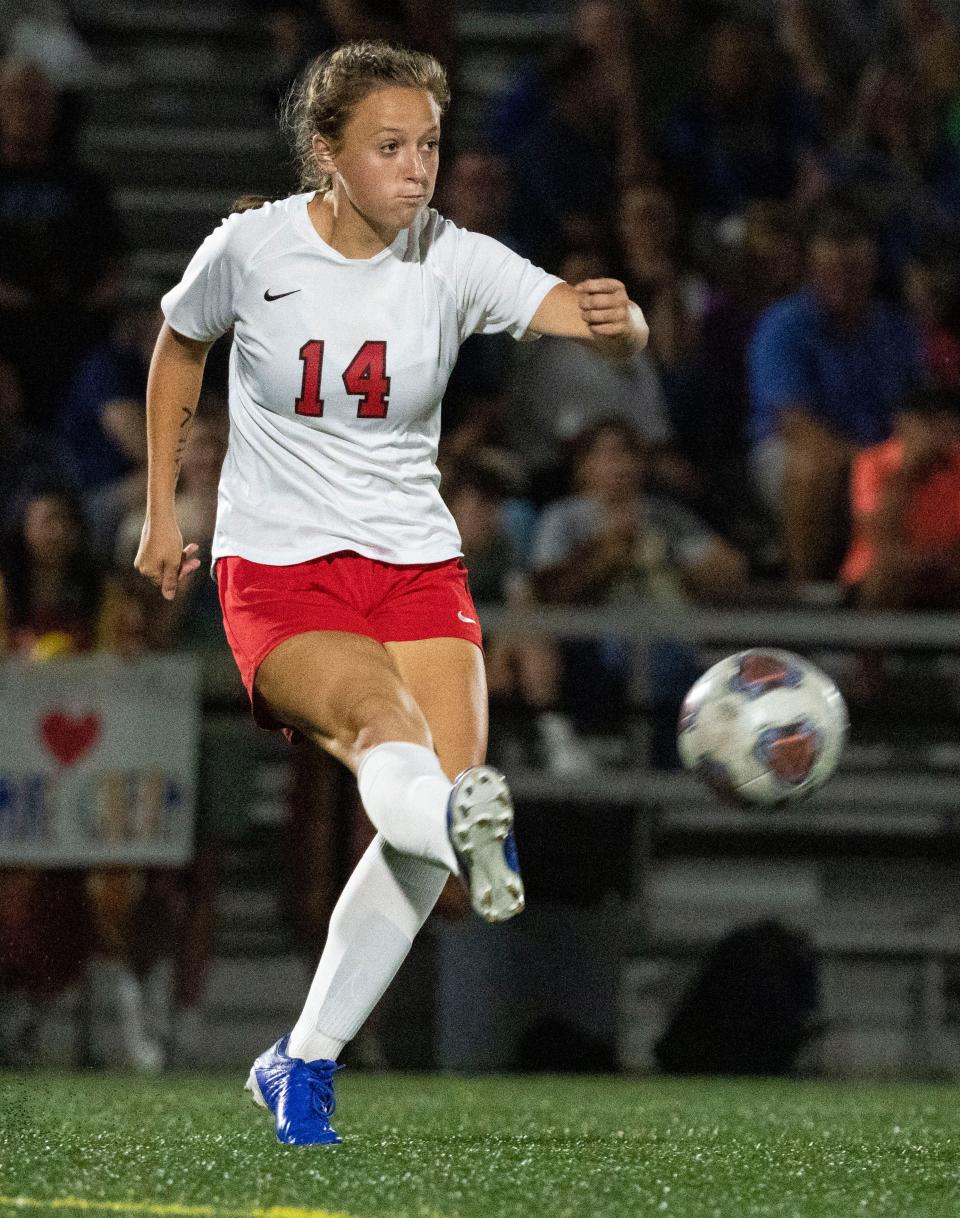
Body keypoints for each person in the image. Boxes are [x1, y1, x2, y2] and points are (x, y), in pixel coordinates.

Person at [134, 41, 648, 1145]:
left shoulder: (451, 259)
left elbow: (577, 314)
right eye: (389, 146)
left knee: (426, 825)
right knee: (387, 732)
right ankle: (460, 822)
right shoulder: (252, 247)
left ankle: (300, 1061)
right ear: (327, 154)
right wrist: (163, 508)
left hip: (416, 565)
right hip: (277, 566)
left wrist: (622, 321)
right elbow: (179, 346)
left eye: (428, 145)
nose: (418, 169)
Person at [748, 207, 926, 583]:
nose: (843, 281)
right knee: (815, 466)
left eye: (854, 270)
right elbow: (795, 423)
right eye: (833, 271)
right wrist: (869, 465)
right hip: (795, 451)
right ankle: (806, 598)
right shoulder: (784, 325)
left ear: (872, 268)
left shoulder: (896, 329)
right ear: (814, 268)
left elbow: (918, 408)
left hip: (880, 451)